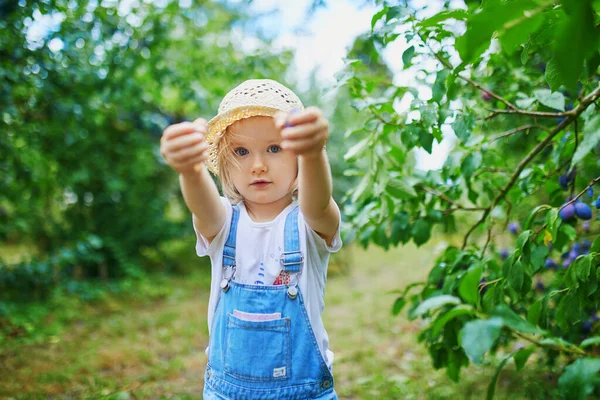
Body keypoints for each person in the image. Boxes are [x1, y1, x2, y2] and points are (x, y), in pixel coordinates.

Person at [159, 78, 343, 399]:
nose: (258, 166)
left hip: (303, 392)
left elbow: (319, 204)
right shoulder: (224, 222)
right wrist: (190, 170)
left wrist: (313, 154)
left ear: (297, 157)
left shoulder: (307, 223)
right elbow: (203, 207)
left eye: (274, 148)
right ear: (226, 164)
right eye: (241, 152)